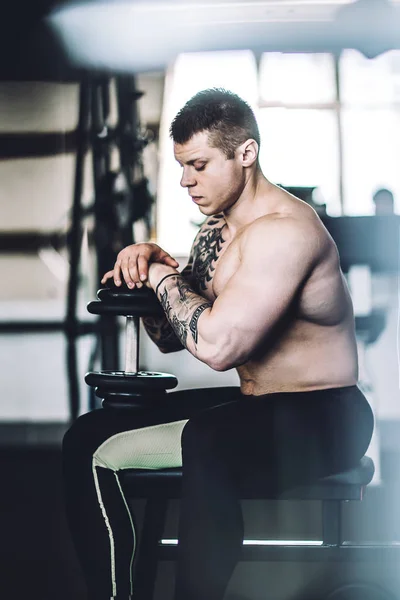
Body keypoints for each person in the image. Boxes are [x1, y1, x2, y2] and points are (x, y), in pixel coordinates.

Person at [63, 88, 374, 600]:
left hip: (327, 413)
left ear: (246, 154)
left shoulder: (287, 232)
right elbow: (173, 339)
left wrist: (166, 279)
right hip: (253, 406)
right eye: (183, 166)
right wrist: (147, 272)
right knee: (87, 438)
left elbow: (219, 347)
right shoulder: (216, 233)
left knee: (208, 441)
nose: (186, 180)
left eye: (200, 165)